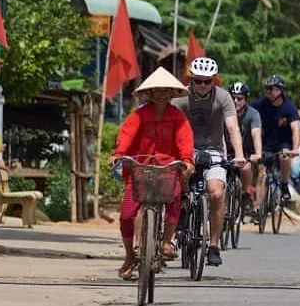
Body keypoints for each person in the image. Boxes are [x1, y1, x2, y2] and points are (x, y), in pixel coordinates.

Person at [112, 68, 196, 280]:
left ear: (170, 94)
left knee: (175, 197)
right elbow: (126, 135)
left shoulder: (178, 117)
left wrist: (186, 160)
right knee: (126, 215)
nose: (160, 95)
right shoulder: (138, 115)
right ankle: (130, 255)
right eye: (156, 91)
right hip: (140, 169)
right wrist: (119, 154)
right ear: (150, 93)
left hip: (167, 169)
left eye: (164, 92)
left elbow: (185, 141)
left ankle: (167, 241)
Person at [169, 57, 247, 267]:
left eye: (207, 81)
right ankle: (183, 209)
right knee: (180, 181)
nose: (203, 85)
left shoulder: (223, 97)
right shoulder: (180, 98)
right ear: (191, 80)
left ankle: (213, 246)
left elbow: (232, 128)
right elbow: (171, 127)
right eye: (198, 81)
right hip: (187, 149)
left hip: (214, 150)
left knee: (216, 193)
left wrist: (238, 154)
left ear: (214, 81)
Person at [251, 74, 300, 204]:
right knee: (262, 171)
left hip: (284, 142)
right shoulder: (261, 104)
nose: (268, 91)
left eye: (271, 88)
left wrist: (295, 149)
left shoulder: (289, 107)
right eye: (267, 88)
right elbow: (246, 110)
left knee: (284, 158)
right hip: (266, 142)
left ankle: (284, 185)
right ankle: (258, 207)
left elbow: (295, 129)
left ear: (280, 90)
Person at [228, 81, 263, 210]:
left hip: (246, 152)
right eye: (233, 97)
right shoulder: (223, 112)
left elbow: (256, 134)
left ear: (246, 100)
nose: (235, 101)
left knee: (246, 168)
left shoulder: (253, 115)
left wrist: (258, 153)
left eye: (240, 98)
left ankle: (245, 193)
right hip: (227, 151)